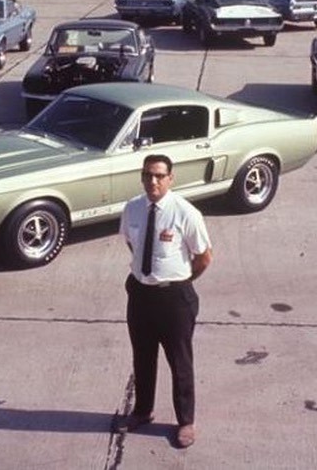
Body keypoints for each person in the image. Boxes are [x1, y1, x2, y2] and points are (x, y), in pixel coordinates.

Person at [116, 154, 213, 448]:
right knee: (142, 357)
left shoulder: (185, 212)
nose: (153, 181)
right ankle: (143, 411)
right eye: (147, 175)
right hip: (140, 294)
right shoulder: (131, 209)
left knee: (180, 362)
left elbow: (205, 257)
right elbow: (132, 243)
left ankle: (185, 422)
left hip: (174, 298)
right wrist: (149, 275)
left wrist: (177, 280)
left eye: (159, 175)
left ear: (171, 178)